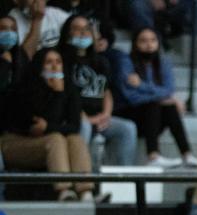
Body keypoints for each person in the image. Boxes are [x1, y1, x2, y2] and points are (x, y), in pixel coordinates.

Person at [0, 47, 94, 201]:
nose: (55, 66)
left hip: (47, 142)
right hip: (13, 142)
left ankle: (86, 193)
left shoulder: (69, 89)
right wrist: (56, 95)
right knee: (55, 138)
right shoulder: (24, 88)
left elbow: (73, 127)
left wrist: (49, 124)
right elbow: (33, 128)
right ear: (39, 66)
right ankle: (64, 190)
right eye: (49, 62)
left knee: (74, 139)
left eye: (58, 62)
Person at [113, 28, 197, 168]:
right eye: (143, 41)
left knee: (169, 107)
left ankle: (186, 154)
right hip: (129, 114)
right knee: (155, 104)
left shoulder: (163, 62)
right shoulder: (126, 62)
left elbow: (169, 90)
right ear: (135, 43)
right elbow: (131, 96)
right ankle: (153, 156)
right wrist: (160, 97)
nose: (149, 44)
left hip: (152, 118)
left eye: (153, 40)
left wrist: (141, 85)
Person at [59, 14, 137, 167]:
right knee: (85, 126)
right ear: (67, 33)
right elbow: (65, 96)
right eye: (77, 29)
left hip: (98, 117)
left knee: (127, 128)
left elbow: (106, 91)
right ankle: (83, 182)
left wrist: (106, 115)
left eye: (87, 29)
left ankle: (121, 182)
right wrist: (87, 119)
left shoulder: (101, 61)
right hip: (71, 118)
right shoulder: (61, 60)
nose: (83, 33)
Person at [0, 15, 28, 95]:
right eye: (3, 28)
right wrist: (5, 64)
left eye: (13, 29)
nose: (9, 33)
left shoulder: (21, 55)